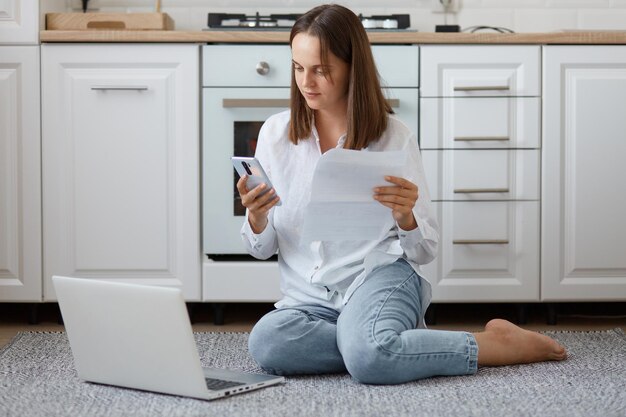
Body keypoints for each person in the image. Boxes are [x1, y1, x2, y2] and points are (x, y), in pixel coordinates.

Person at [236, 4, 567, 384]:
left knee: (369, 357)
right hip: (311, 299)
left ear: (351, 68)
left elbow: (424, 251)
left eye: (321, 70)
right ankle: (380, 343)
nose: (306, 82)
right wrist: (257, 219)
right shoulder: (275, 135)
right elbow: (260, 249)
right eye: (298, 68)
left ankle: (491, 344)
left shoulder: (393, 136)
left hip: (379, 277)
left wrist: (406, 218)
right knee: (268, 343)